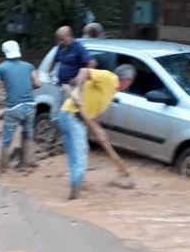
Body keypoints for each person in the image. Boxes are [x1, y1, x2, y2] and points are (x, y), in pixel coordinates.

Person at [57, 64, 136, 200]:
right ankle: (74, 197)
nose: (128, 86)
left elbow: (92, 113)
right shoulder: (109, 78)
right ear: (127, 80)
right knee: (80, 155)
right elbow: (84, 71)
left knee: (75, 156)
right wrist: (79, 93)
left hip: (72, 117)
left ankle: (76, 184)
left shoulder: (111, 91)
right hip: (72, 116)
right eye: (130, 83)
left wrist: (99, 130)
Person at [0, 40, 41, 173]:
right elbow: (38, 84)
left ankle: (3, 168)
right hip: (30, 106)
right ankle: (24, 166)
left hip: (14, 108)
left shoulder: (1, 68)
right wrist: (25, 87)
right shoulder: (29, 66)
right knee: (27, 136)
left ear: (5, 53)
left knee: (7, 139)